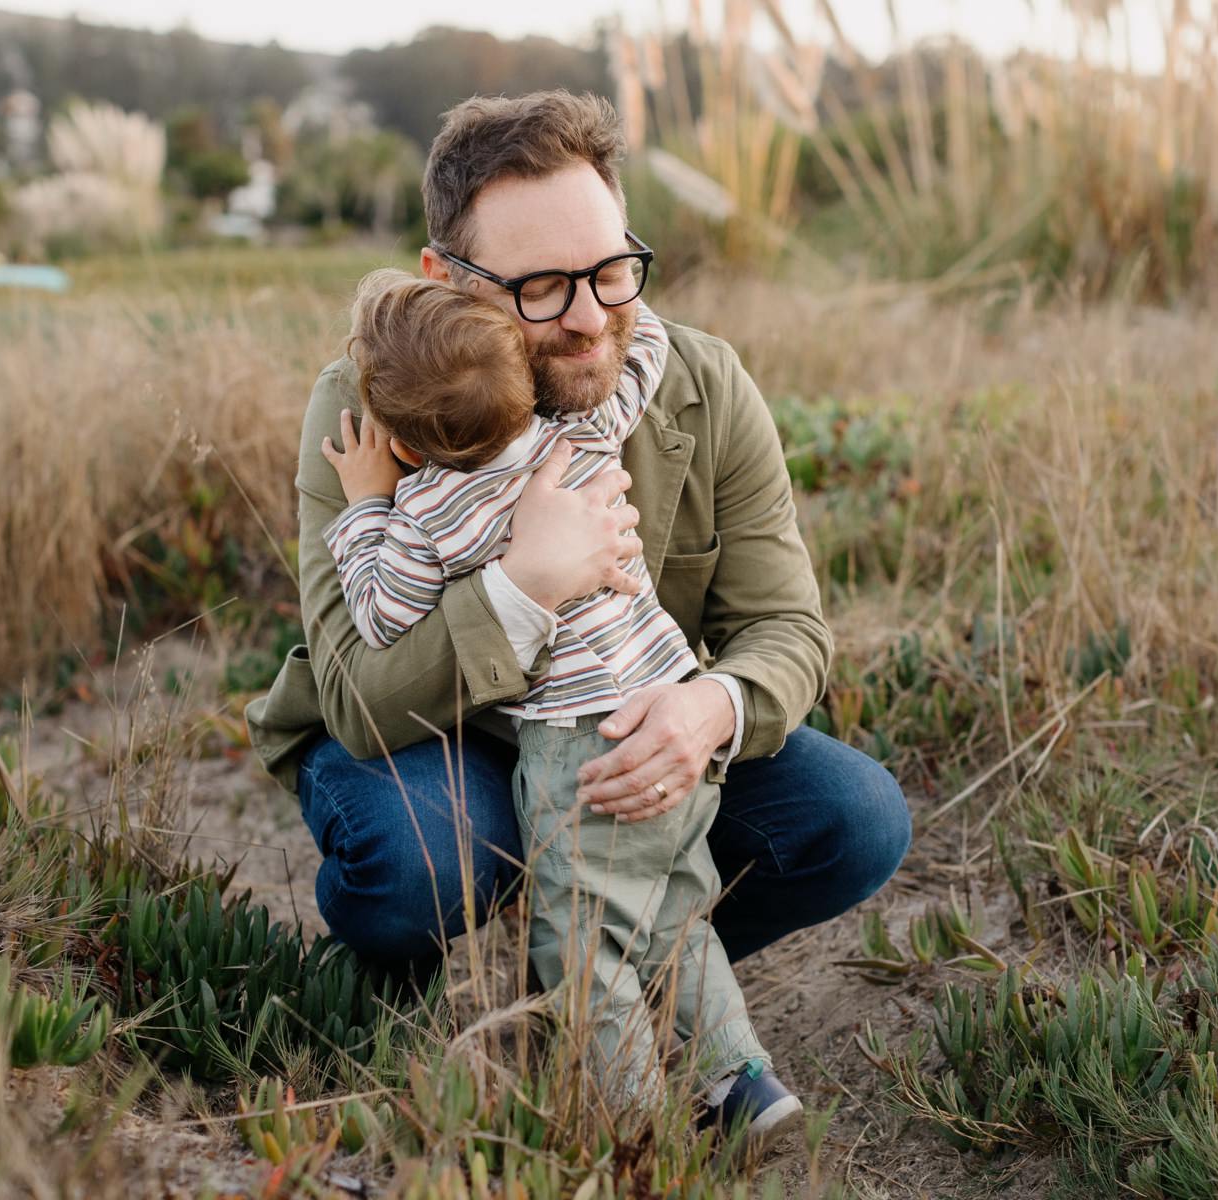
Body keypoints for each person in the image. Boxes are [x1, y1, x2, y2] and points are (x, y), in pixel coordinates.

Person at [243, 85, 912, 1101]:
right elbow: (355, 694)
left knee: (853, 816)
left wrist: (703, 711)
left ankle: (597, 963)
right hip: (441, 738)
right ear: (444, 278)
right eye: (544, 287)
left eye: (611, 271)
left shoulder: (695, 379)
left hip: (615, 731)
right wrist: (523, 586)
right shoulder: (371, 404)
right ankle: (429, 981)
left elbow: (786, 628)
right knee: (425, 858)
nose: (591, 317)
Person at [317, 268, 800, 1134]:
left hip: (583, 742)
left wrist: (366, 507)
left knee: (583, 944)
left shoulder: (426, 509)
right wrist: (630, 314)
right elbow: (642, 368)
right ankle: (746, 1082)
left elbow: (383, 610)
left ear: (407, 442)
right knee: (676, 913)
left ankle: (633, 1125)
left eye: (603, 272)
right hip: (664, 702)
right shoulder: (580, 438)